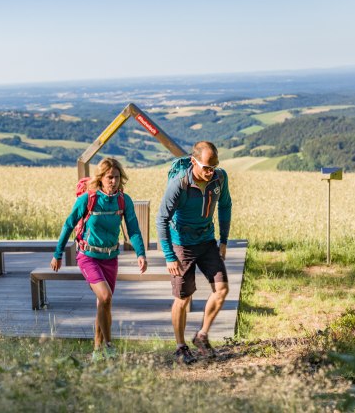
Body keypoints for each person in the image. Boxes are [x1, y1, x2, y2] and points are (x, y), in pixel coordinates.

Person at [51, 157, 147, 361]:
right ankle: (110, 346)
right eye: (110, 177)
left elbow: (134, 230)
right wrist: (57, 254)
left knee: (104, 304)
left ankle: (97, 350)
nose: (114, 181)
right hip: (88, 256)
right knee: (105, 297)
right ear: (101, 178)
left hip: (110, 257)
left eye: (117, 177)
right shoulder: (88, 198)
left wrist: (141, 254)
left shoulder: (124, 200)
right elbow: (68, 225)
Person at [156, 141, 232, 364]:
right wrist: (169, 256)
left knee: (222, 289)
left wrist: (224, 240)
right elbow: (161, 219)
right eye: (206, 167)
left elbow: (225, 206)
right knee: (183, 297)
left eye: (214, 167)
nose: (210, 172)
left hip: (207, 239)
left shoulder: (219, 178)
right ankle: (180, 347)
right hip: (182, 245)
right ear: (193, 162)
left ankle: (202, 336)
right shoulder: (179, 184)